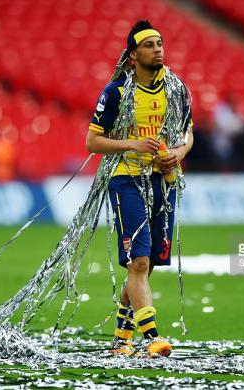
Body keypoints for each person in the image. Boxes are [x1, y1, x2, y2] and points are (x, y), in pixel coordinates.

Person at [85, 20, 193, 357]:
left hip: (163, 180)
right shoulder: (116, 93)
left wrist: (179, 152)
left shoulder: (176, 89)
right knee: (139, 263)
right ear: (133, 54)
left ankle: (121, 337)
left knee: (143, 265)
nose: (158, 48)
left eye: (160, 43)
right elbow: (92, 141)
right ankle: (152, 338)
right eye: (149, 44)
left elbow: (189, 131)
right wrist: (133, 145)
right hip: (127, 179)